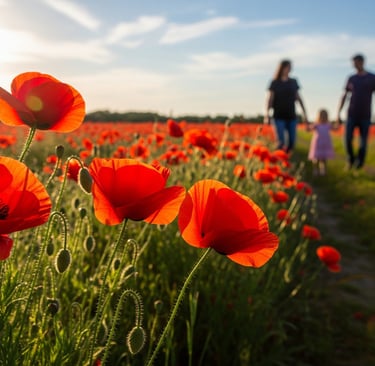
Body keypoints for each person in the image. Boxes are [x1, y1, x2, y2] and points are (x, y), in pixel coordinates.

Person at [337, 53, 375, 170]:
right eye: (353, 63)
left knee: (363, 142)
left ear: (362, 62)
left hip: (365, 115)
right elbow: (345, 95)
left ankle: (360, 163)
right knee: (347, 139)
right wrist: (338, 112)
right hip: (352, 113)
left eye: (356, 62)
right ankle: (350, 160)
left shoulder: (372, 77)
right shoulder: (351, 78)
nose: (354, 65)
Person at [264, 59, 308, 153]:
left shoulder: (293, 82)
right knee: (281, 142)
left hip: (291, 116)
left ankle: (286, 158)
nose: (289, 69)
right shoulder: (275, 82)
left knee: (292, 142)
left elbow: (299, 98)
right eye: (287, 67)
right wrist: (267, 115)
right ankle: (280, 159)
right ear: (282, 68)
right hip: (278, 116)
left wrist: (304, 113)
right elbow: (270, 99)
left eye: (290, 67)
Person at [307, 109, 338, 176]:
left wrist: (337, 121)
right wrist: (307, 125)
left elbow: (335, 129)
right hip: (317, 144)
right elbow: (309, 129)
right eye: (322, 116)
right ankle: (315, 169)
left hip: (325, 144)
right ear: (319, 116)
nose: (323, 117)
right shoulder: (317, 125)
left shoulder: (328, 125)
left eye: (325, 116)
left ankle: (323, 170)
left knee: (324, 158)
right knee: (316, 158)